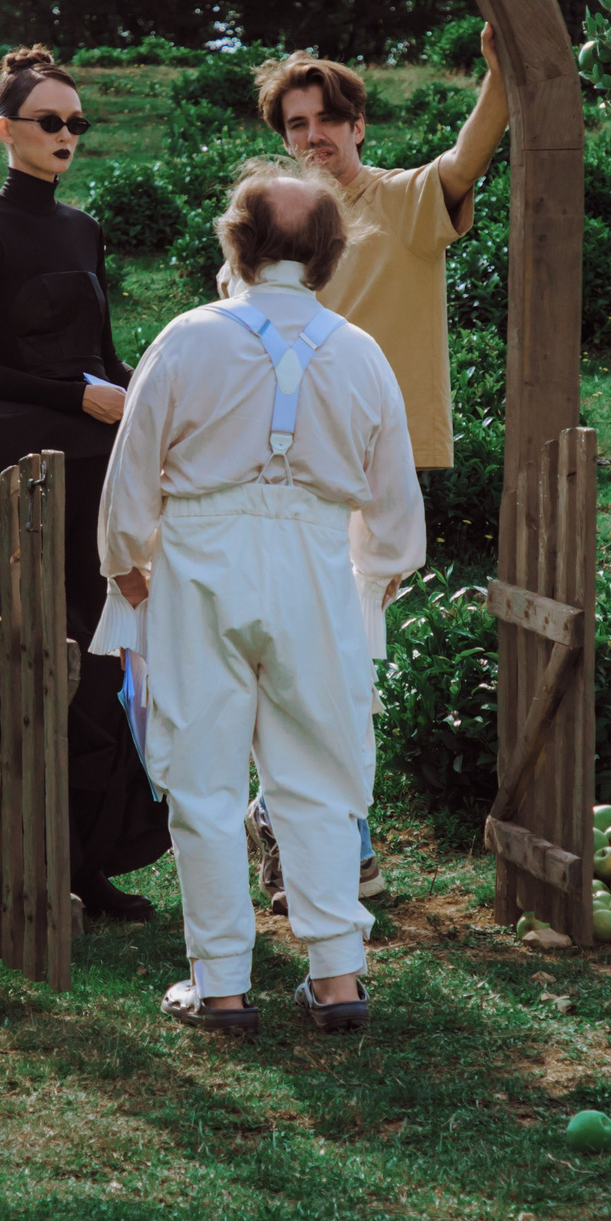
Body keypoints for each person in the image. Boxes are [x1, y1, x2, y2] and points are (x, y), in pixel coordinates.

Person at [93, 160, 426, 1034]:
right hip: (316, 567)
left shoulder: (188, 337)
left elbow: (130, 477)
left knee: (201, 783)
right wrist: (366, 581)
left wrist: (129, 561)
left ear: (236, 242)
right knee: (318, 778)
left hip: (201, 560)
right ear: (328, 256)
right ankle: (338, 976)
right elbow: (395, 517)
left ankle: (223, 984)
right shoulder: (361, 353)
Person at [240, 25, 511, 914]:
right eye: (295, 123)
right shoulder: (271, 228)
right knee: (321, 663)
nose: (312, 136)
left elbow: (472, 154)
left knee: (344, 664)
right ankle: (325, 845)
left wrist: (504, 71)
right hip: (279, 479)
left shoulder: (401, 203)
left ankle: (300, 829)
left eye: (326, 119)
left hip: (375, 477)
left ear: (358, 125)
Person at [0, 44, 169, 921]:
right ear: (7, 130)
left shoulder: (83, 228)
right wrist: (80, 394)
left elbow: (105, 351)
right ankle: (22, 854)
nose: (66, 133)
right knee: (44, 649)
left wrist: (145, 397)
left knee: (104, 651)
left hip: (99, 458)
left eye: (76, 121)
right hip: (29, 457)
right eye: (50, 121)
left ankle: (92, 861)